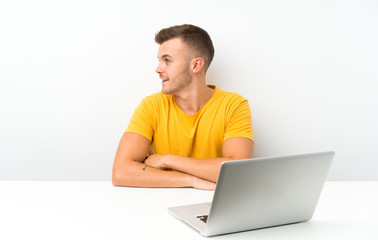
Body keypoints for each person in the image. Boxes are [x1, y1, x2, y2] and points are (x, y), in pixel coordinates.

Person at [112, 24, 254, 190]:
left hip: (213, 204)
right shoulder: (151, 105)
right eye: (159, 61)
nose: (158, 69)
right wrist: (191, 181)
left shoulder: (234, 105)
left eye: (167, 60)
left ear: (195, 65)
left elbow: (238, 172)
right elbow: (121, 172)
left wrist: (167, 160)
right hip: (159, 204)